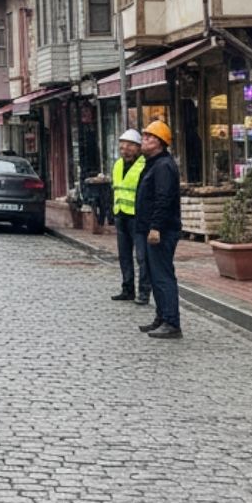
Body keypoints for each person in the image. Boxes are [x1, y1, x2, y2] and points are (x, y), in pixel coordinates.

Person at [134, 120, 184, 339]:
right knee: (155, 277)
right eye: (144, 136)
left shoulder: (163, 166)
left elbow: (163, 199)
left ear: (159, 142)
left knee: (163, 276)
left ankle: (171, 322)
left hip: (161, 231)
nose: (143, 140)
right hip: (149, 229)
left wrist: (155, 227)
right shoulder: (153, 163)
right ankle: (162, 317)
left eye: (148, 137)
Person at [109, 129, 149, 305]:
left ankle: (144, 292)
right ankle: (127, 289)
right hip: (120, 214)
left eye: (129, 147)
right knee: (124, 256)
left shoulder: (144, 165)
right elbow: (116, 188)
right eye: (122, 147)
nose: (125, 151)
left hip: (137, 216)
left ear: (138, 148)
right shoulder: (118, 164)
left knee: (142, 257)